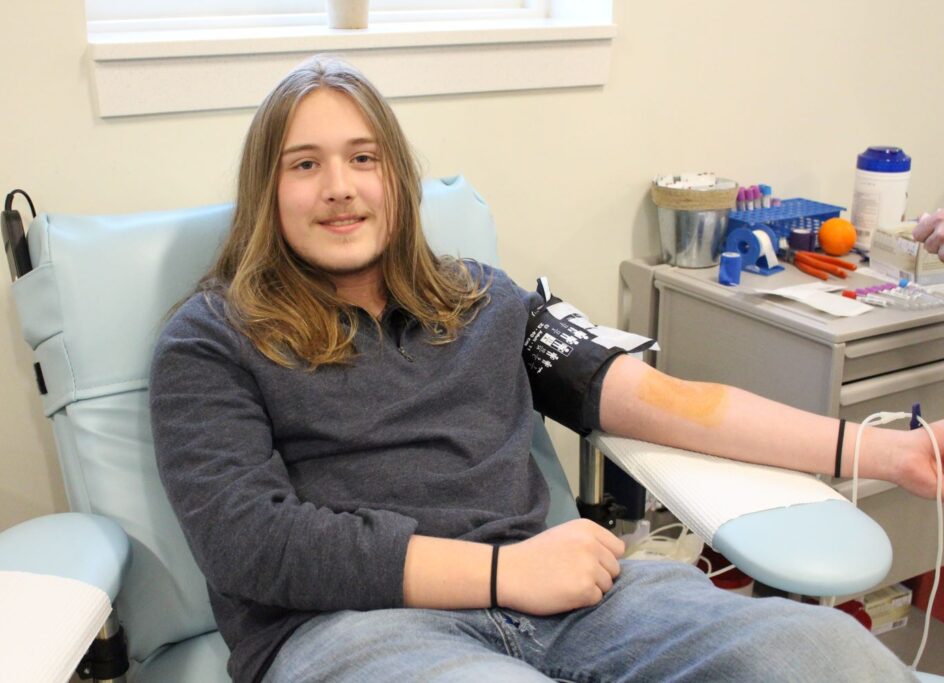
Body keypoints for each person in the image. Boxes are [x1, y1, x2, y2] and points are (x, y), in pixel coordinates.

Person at [149, 55, 941, 683]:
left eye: (364, 158)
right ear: (266, 190)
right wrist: (504, 572)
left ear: (397, 178)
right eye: (304, 165)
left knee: (823, 654)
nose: (340, 188)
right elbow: (253, 544)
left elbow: (666, 401)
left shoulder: (482, 300)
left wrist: (888, 451)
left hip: (572, 603)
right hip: (358, 628)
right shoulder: (212, 339)